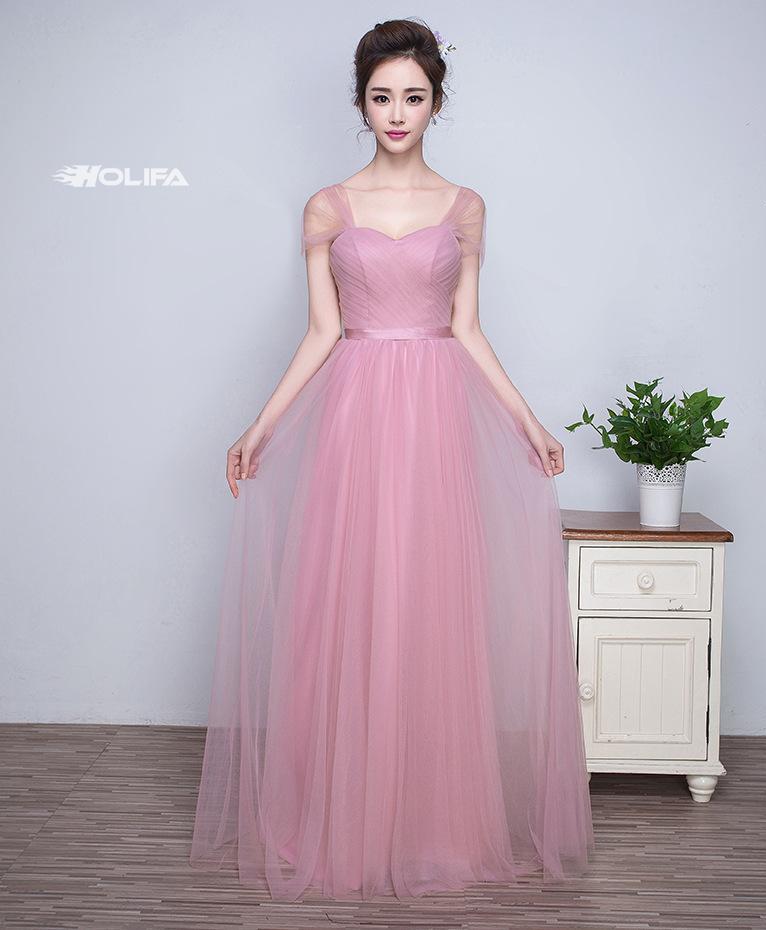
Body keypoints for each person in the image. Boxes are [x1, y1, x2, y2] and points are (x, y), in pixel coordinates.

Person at [189, 17, 595, 902]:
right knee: (353, 601)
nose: (398, 113)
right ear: (361, 103)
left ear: (437, 103)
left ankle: (431, 820)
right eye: (382, 97)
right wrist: (257, 428)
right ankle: (345, 812)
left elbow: (467, 328)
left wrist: (528, 421)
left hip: (438, 416)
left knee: (431, 607)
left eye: (414, 97)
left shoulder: (465, 206)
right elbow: (323, 332)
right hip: (357, 416)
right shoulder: (328, 207)